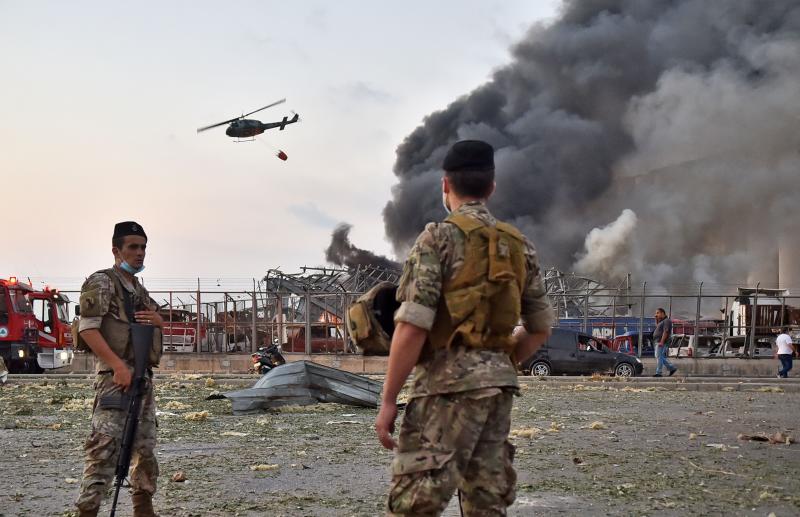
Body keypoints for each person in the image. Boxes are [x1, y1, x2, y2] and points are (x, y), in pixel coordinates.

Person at [375, 140, 554, 516]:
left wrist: (389, 399)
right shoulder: (520, 246)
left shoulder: (436, 239)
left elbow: (412, 326)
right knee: (486, 504)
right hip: (498, 391)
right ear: (491, 187)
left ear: (445, 186)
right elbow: (539, 329)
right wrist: (496, 365)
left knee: (414, 505)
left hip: (444, 389)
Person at [75, 221, 163, 517]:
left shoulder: (138, 288)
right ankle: (88, 511)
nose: (140, 254)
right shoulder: (103, 282)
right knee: (104, 448)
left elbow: (155, 324)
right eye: (133, 247)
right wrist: (116, 366)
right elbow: (88, 329)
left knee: (145, 448)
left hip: (141, 378)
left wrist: (158, 321)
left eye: (143, 248)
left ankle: (143, 509)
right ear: (116, 250)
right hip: (116, 379)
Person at [653, 307, 676, 377]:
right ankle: (672, 368)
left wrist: (662, 342)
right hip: (658, 341)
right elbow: (657, 327)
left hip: (661, 342)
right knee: (660, 356)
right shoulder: (661, 321)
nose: (656, 314)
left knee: (659, 356)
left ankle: (659, 372)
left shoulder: (667, 321)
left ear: (662, 313)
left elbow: (666, 331)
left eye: (657, 313)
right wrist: (656, 319)